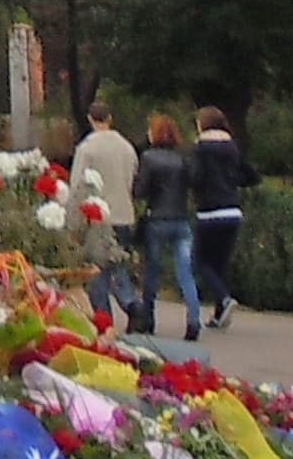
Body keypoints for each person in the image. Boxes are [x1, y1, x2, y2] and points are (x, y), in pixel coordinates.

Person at [70, 101, 142, 327]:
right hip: (124, 213)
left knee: (96, 271)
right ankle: (131, 302)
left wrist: (73, 217)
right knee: (118, 262)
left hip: (98, 216)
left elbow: (77, 185)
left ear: (91, 119)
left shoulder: (87, 148)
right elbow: (133, 177)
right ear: (110, 118)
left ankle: (104, 318)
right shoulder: (127, 147)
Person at [190, 103, 261, 332]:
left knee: (201, 261)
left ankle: (225, 298)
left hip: (209, 211)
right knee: (220, 264)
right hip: (232, 210)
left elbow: (196, 176)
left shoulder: (200, 149)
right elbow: (251, 175)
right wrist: (231, 182)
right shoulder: (232, 148)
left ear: (203, 125)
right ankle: (221, 314)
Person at [131, 113, 198, 341]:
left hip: (157, 219)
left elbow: (140, 191)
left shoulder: (149, 158)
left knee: (152, 270)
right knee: (185, 272)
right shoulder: (183, 158)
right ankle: (193, 320)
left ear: (155, 133)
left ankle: (148, 318)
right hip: (181, 218)